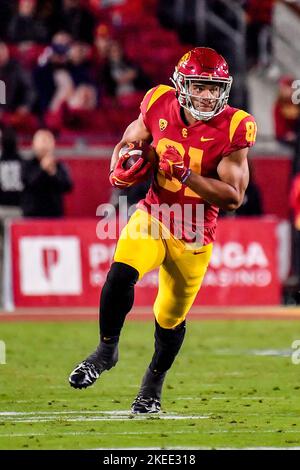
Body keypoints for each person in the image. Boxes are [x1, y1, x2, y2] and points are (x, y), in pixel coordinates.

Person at [69, 47, 257, 413]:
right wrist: (119, 168)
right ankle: (106, 351)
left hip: (196, 233)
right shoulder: (157, 101)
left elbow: (233, 197)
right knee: (121, 273)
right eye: (199, 86)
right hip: (155, 214)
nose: (206, 95)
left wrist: (185, 173)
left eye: (213, 88)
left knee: (169, 319)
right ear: (182, 85)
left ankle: (151, 387)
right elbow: (128, 142)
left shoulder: (236, 125)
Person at [21, 129, 73, 217]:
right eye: (42, 141)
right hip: (32, 216)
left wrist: (53, 173)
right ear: (33, 145)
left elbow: (68, 186)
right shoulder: (27, 165)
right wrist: (42, 169)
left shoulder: (59, 166)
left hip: (54, 216)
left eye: (48, 141)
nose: (45, 145)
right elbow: (29, 183)